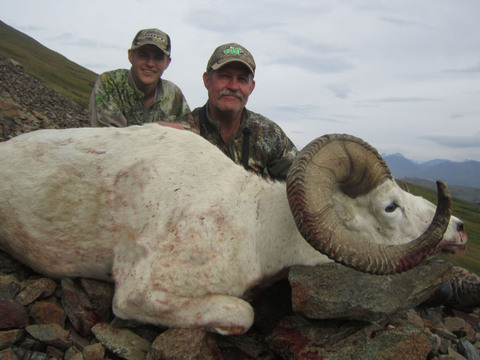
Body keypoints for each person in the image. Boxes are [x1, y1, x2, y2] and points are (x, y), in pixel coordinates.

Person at [173, 43, 297, 181]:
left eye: (242, 79)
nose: (233, 86)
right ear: (207, 80)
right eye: (225, 76)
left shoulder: (270, 134)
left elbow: (302, 177)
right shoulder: (179, 134)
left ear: (251, 87)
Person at [89, 28, 190, 127]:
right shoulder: (109, 83)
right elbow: (110, 138)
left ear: (167, 63)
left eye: (158, 58)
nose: (150, 64)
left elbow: (189, 131)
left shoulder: (174, 94)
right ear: (131, 56)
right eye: (143, 55)